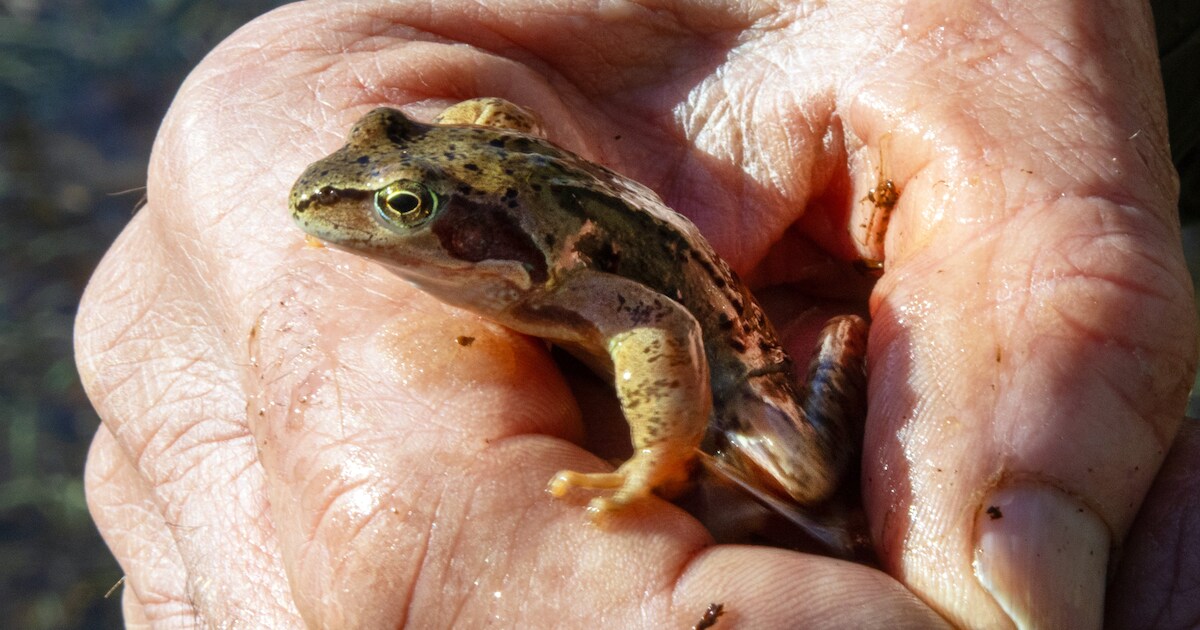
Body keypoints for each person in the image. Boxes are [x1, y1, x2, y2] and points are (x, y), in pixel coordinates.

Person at [75, 1, 1199, 626]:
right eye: (393, 174)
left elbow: (656, 329)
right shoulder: (518, 242)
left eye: (407, 208)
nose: (352, 208)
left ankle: (847, 342)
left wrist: (654, 460)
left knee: (803, 473)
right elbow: (485, 118)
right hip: (594, 245)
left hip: (739, 359)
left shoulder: (573, 280)